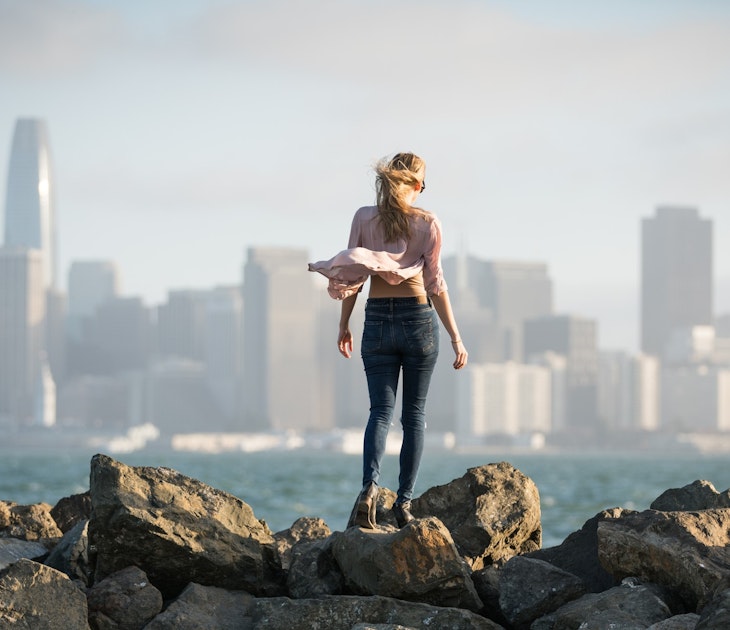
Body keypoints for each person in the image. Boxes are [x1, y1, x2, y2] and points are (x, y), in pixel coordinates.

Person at [308, 152, 468, 529]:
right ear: (416, 185)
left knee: (379, 412)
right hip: (417, 319)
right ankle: (403, 505)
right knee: (414, 417)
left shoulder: (363, 217)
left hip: (377, 320)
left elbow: (351, 277)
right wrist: (457, 338)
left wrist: (344, 325)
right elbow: (436, 285)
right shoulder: (428, 223)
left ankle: (368, 490)